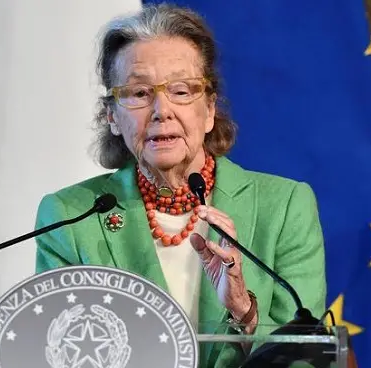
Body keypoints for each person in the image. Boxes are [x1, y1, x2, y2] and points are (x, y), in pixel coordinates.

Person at [34, 3, 326, 366]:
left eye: (182, 90)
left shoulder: (284, 206)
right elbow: (61, 352)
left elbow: (304, 357)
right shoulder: (70, 216)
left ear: (209, 110)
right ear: (112, 115)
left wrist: (243, 310)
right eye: (139, 93)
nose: (162, 110)